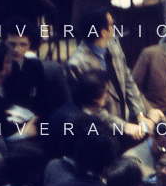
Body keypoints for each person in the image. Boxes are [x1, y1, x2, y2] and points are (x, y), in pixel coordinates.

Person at [67, 8, 159, 143]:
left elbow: (128, 80)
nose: (114, 26)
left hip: (127, 119)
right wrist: (124, 126)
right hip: (101, 132)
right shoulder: (76, 65)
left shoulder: (114, 44)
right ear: (103, 32)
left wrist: (139, 114)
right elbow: (90, 108)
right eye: (112, 24)